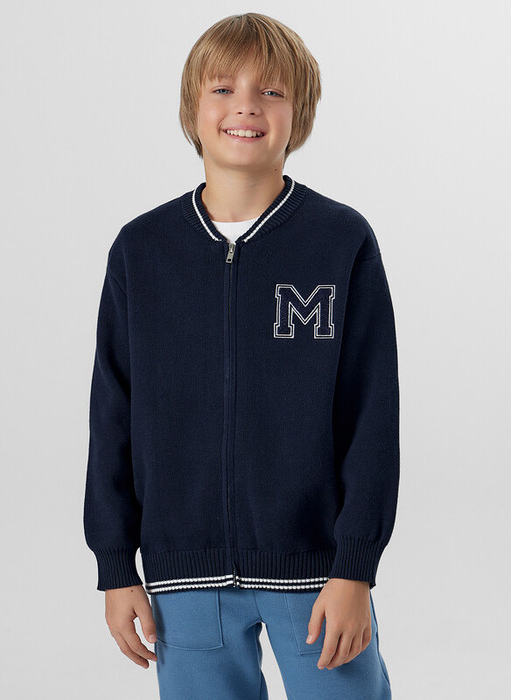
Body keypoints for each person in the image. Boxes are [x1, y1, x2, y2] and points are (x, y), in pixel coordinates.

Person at [83, 12, 399, 699]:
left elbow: (372, 416)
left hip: (317, 574)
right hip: (184, 575)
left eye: (271, 91)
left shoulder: (340, 241)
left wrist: (355, 567)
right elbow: (112, 415)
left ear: (299, 114)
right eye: (223, 89)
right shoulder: (142, 250)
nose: (246, 106)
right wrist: (115, 565)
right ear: (192, 108)